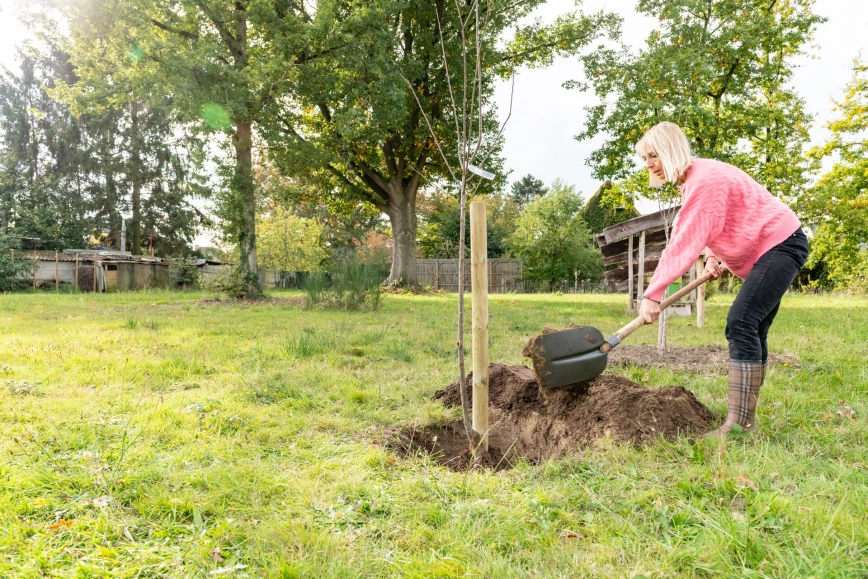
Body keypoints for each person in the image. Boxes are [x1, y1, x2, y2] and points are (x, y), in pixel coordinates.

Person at [635, 122, 808, 439]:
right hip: (780, 244)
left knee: (741, 322)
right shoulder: (699, 176)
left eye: (652, 155)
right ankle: (745, 421)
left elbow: (682, 243)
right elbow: (720, 220)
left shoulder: (703, 181)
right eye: (645, 157)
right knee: (753, 326)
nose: (647, 164)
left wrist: (653, 294)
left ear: (670, 150)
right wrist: (713, 256)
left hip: (781, 244)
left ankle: (738, 425)